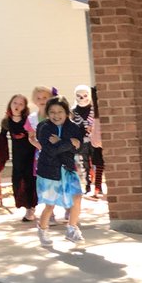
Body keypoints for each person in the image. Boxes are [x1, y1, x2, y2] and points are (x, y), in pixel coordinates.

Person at [34, 95, 87, 247]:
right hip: (49, 170)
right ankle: (42, 229)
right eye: (52, 112)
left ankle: (72, 228)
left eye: (60, 112)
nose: (56, 115)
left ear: (66, 112)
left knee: (77, 197)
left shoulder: (74, 128)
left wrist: (62, 143)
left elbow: (80, 147)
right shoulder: (44, 128)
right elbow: (49, 150)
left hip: (68, 168)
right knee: (50, 204)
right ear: (47, 113)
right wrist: (69, 143)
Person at [0, 94, 37, 222]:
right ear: (10, 104)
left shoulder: (28, 119)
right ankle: (26, 205)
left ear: (24, 107)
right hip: (17, 156)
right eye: (15, 103)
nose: (17, 106)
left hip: (30, 154)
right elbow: (2, 137)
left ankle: (31, 209)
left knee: (30, 180)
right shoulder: (6, 121)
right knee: (18, 180)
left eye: (21, 104)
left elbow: (34, 135)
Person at [73, 84, 104, 199]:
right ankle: (87, 186)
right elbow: (73, 127)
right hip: (82, 142)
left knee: (96, 163)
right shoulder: (74, 111)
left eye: (85, 95)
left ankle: (97, 185)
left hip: (94, 140)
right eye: (79, 96)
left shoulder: (94, 110)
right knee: (84, 164)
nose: (82, 99)